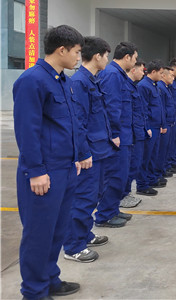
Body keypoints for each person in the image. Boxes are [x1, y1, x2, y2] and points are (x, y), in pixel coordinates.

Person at [13, 24, 88, 299]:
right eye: (77, 52)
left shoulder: (62, 81)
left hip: (65, 168)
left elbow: (70, 124)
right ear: (62, 50)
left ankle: (50, 279)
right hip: (44, 172)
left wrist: (77, 157)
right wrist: (35, 171)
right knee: (38, 234)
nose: (78, 58)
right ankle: (34, 291)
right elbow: (27, 130)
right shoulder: (32, 80)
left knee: (57, 230)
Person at [63, 37, 114, 264]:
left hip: (99, 149)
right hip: (90, 152)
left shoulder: (92, 80)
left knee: (93, 196)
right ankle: (73, 246)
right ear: (97, 56)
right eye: (106, 56)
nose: (107, 60)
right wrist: (83, 153)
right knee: (83, 198)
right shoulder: (80, 82)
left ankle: (85, 234)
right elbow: (79, 122)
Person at [96, 41, 138, 228]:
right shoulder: (112, 74)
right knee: (114, 176)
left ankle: (112, 209)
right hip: (118, 135)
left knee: (121, 175)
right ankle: (105, 215)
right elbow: (111, 107)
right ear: (127, 57)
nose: (135, 62)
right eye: (135, 58)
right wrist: (114, 134)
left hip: (125, 134)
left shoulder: (118, 75)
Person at [137, 60, 167, 193]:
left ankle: (151, 178)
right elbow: (143, 109)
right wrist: (147, 126)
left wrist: (161, 124)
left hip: (156, 126)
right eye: (160, 73)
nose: (162, 75)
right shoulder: (143, 86)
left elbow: (158, 107)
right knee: (146, 157)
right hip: (150, 127)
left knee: (153, 155)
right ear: (153, 72)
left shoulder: (154, 85)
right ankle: (142, 185)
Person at [124, 60, 152, 201]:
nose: (143, 73)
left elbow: (140, 111)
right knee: (128, 167)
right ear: (133, 70)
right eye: (141, 70)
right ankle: (124, 195)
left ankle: (127, 193)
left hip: (138, 131)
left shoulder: (134, 87)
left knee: (135, 164)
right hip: (130, 134)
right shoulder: (128, 86)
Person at [158, 66, 176, 178]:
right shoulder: (161, 88)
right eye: (171, 75)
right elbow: (162, 108)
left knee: (168, 147)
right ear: (164, 76)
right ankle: (161, 171)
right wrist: (163, 123)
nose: (173, 78)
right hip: (165, 123)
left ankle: (165, 167)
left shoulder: (166, 87)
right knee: (162, 150)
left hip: (170, 121)